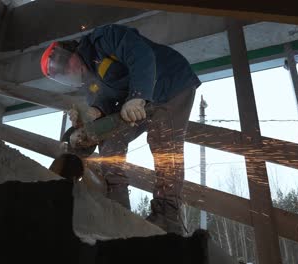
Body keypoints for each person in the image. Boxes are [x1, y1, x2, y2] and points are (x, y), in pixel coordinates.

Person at [40, 24, 200, 234]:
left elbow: (141, 55)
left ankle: (167, 214)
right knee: (109, 140)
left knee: (163, 142)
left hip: (170, 83)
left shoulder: (104, 39)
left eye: (64, 63)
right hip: (141, 100)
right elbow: (102, 114)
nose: (67, 71)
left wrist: (136, 96)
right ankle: (118, 206)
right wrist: (88, 120)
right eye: (61, 73)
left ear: (72, 49)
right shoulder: (90, 85)